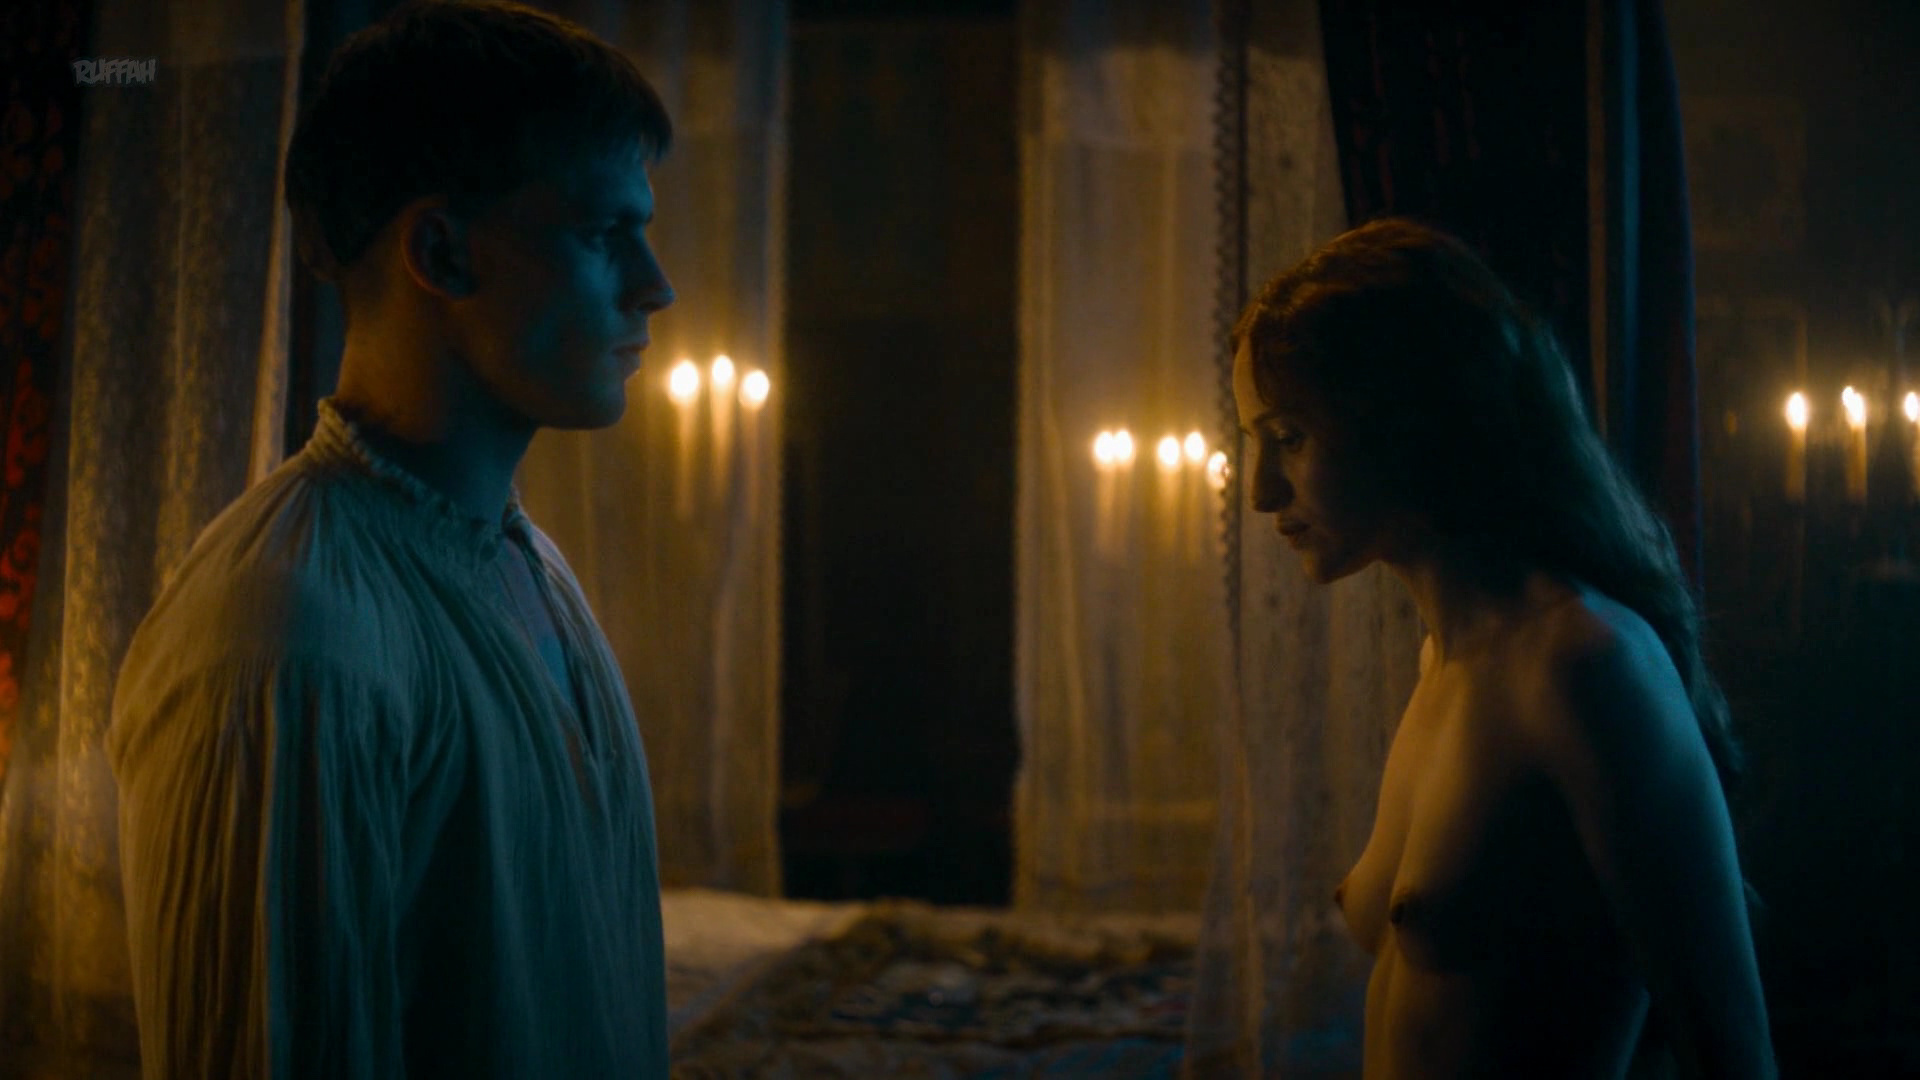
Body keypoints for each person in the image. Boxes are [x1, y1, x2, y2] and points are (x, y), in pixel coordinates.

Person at [107, 2, 677, 1076]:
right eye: (604, 234)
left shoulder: (527, 561)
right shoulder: (288, 634)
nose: (657, 286)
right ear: (441, 251)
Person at [1231, 218, 1775, 1078]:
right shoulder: (1444, 661)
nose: (1260, 492)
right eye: (1252, 442)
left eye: (1290, 437)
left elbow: (1732, 1053)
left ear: (1406, 416)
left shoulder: (1582, 665)